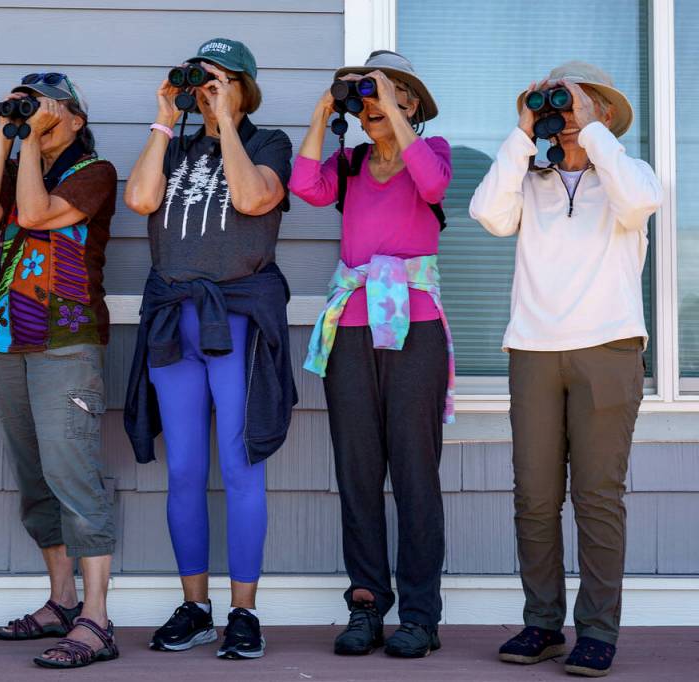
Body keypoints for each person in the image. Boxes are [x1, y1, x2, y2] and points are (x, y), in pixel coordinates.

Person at [470, 61, 661, 678]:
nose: (568, 116)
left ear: (604, 115)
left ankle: (598, 631)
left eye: (580, 105)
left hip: (608, 350)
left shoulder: (629, 176)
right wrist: (525, 133)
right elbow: (488, 215)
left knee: (598, 498)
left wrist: (592, 130)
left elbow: (640, 203)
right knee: (534, 497)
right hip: (533, 351)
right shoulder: (530, 181)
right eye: (560, 106)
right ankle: (543, 625)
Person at [123, 38, 295, 660]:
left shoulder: (267, 142)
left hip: (237, 318)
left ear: (246, 86)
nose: (206, 89)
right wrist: (166, 120)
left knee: (241, 466)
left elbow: (253, 199)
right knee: (187, 471)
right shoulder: (177, 142)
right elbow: (141, 199)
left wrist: (225, 121)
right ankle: (195, 605)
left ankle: (243, 612)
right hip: (175, 318)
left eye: (220, 80)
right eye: (202, 81)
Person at [289, 50, 454, 659]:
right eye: (368, 98)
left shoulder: (431, 154)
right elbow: (305, 186)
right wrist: (322, 112)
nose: (376, 106)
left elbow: (434, 186)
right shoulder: (350, 162)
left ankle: (420, 615)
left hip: (415, 326)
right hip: (351, 328)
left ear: (411, 104)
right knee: (357, 472)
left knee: (414, 472)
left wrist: (390, 104)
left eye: (391, 95)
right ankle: (365, 604)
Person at [0, 73, 119, 670]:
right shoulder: (18, 162)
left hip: (65, 344)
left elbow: (33, 213)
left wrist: (29, 136)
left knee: (73, 477)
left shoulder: (95, 172)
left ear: (76, 120)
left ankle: (98, 619)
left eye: (49, 106)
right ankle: (61, 600)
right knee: (35, 481)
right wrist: (8, 137)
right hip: (8, 341)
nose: (36, 115)